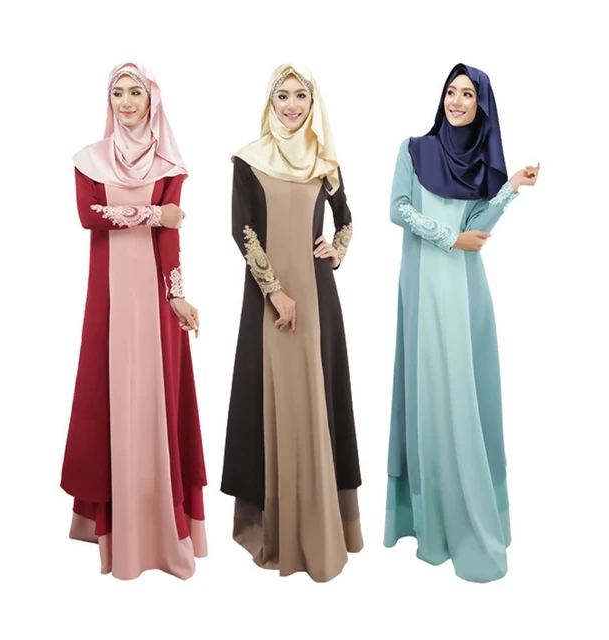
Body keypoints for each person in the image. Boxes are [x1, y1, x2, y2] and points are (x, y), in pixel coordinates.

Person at [384, 63, 540, 583]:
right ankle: (431, 521)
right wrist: (448, 237)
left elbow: (478, 229)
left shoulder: (480, 165)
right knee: (430, 394)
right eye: (451, 92)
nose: (456, 101)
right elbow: (397, 209)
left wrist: (510, 188)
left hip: (466, 293)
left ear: (481, 105)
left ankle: (474, 514)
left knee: (468, 397)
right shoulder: (414, 150)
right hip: (424, 292)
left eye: (467, 94)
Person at [61, 62, 207, 580]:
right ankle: (116, 534)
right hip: (109, 302)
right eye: (117, 93)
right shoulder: (90, 159)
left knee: (154, 403)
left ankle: (160, 531)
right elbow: (89, 216)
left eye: (135, 93)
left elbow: (170, 236)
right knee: (112, 400)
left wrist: (179, 295)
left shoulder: (168, 164)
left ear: (152, 101)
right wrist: (153, 214)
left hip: (154, 302)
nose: (126, 102)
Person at [221, 64, 363, 582]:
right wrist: (274, 290)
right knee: (273, 401)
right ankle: (275, 528)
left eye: (301, 96)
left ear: (312, 101)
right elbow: (242, 229)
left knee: (316, 401)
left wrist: (337, 248)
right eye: (282, 96)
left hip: (317, 297)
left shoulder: (325, 163)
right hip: (269, 300)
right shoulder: (248, 159)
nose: (292, 105)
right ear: (270, 102)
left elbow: (346, 219)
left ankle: (323, 525)